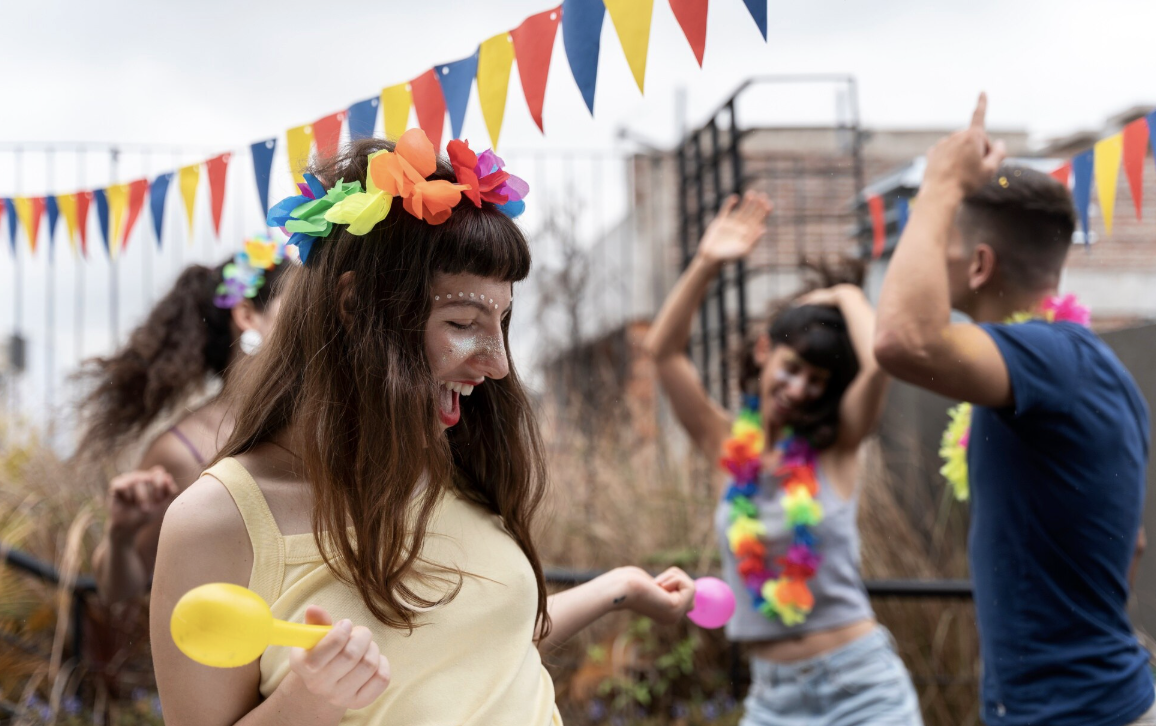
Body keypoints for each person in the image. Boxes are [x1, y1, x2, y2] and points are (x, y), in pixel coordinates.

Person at [149, 130, 696, 726]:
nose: (498, 363)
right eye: (463, 321)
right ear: (354, 306)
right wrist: (307, 703)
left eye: (502, 322)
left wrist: (619, 588)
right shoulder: (217, 522)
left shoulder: (455, 465)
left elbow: (477, 646)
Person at [873, 93, 1154, 726]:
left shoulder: (1051, 358)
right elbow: (1130, 542)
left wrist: (942, 182)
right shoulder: (1073, 366)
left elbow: (901, 339)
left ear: (978, 265)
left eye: (938, 240)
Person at [643, 191, 922, 724]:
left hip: (863, 688)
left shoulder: (837, 446)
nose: (798, 389)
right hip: (774, 699)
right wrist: (707, 262)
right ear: (765, 352)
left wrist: (842, 294)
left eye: (817, 382)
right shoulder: (726, 444)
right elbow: (663, 352)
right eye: (792, 368)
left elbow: (881, 360)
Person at [84, 241, 288, 605]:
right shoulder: (182, 450)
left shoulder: (322, 424)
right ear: (247, 316)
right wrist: (121, 536)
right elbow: (118, 589)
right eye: (297, 304)